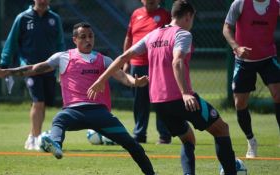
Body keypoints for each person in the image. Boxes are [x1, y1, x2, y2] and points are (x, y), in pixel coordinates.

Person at [0, 22, 156, 175]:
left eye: (90, 36)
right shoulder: (63, 57)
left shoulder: (104, 60)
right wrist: (6, 72)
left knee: (132, 145)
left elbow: (123, 77)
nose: (88, 40)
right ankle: (56, 145)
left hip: (99, 113)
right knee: (59, 120)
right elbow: (35, 68)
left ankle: (150, 173)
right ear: (74, 40)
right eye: (83, 37)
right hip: (73, 111)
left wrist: (136, 82)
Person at [88, 0, 237, 174]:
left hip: (159, 102)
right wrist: (185, 93)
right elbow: (177, 60)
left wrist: (101, 80)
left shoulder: (153, 35)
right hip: (181, 98)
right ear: (188, 16)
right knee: (221, 129)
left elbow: (123, 57)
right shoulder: (182, 35)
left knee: (188, 139)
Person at [0, 0, 65, 150]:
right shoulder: (22, 18)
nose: (42, 1)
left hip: (49, 68)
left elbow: (60, 44)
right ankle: (36, 138)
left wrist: (62, 65)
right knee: (38, 102)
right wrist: (5, 63)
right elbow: (12, 42)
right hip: (29, 68)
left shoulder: (55, 19)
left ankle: (33, 136)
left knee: (43, 103)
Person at [223, 0, 280, 158]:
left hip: (268, 57)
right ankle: (251, 140)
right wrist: (236, 47)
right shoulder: (239, 4)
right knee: (239, 103)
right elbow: (226, 28)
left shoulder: (276, 4)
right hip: (244, 61)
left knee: (278, 94)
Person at [123, 0, 172, 144]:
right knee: (140, 101)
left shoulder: (165, 15)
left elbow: (170, 37)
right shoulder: (136, 14)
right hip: (137, 64)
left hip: (158, 64)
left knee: (160, 100)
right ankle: (139, 134)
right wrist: (126, 61)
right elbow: (129, 38)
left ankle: (164, 135)